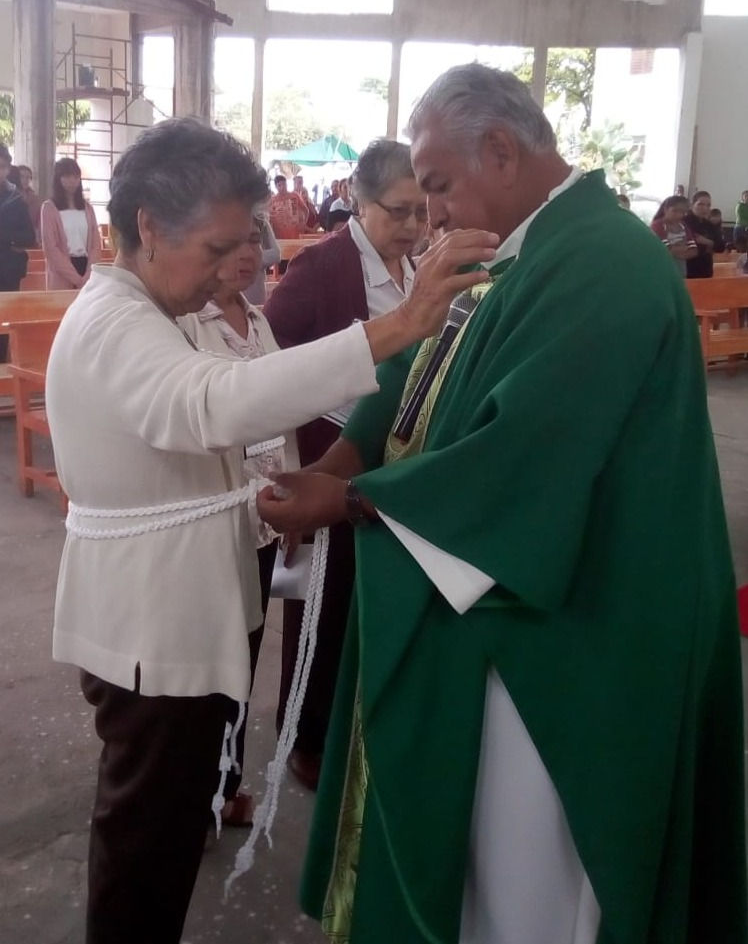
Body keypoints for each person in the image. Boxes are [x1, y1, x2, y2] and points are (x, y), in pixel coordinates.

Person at [257, 64, 747, 944]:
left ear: (501, 150)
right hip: (504, 592)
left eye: (438, 187)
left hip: (574, 624)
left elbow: (525, 458)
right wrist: (340, 457)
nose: (431, 212)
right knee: (484, 862)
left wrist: (354, 499)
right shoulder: (511, 245)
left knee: (532, 879)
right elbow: (418, 373)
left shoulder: (605, 263)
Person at [44, 116, 496, 944]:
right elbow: (210, 404)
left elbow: (226, 399)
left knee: (173, 825)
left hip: (181, 607)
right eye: (216, 248)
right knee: (145, 840)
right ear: (148, 226)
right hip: (152, 626)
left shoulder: (164, 306)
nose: (230, 270)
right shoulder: (115, 319)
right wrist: (394, 329)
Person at [263, 138, 428, 791]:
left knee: (362, 600)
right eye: (399, 212)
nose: (414, 226)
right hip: (329, 454)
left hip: (387, 460)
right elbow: (266, 358)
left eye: (422, 211)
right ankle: (303, 736)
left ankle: (345, 722)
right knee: (321, 607)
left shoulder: (415, 268)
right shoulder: (325, 268)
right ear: (359, 202)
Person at [180, 233, 299, 828]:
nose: (251, 253)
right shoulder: (185, 324)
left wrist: (293, 491)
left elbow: (280, 412)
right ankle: (192, 795)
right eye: (231, 241)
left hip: (262, 517)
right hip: (211, 519)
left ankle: (225, 785)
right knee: (204, 659)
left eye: (257, 238)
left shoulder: (258, 320)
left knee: (243, 657)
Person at [41, 158, 101, 289]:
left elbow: (96, 245)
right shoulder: (49, 208)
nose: (72, 181)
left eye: (76, 176)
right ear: (58, 178)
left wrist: (88, 274)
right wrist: (77, 279)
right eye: (67, 176)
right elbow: (51, 248)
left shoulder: (87, 208)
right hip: (62, 272)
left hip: (86, 267)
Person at [0, 143, 35, 294]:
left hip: (8, 272)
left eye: (1, 166)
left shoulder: (15, 199)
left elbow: (29, 237)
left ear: (7, 169)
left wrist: (6, 238)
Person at [650, 195, 697, 276]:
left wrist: (676, 250)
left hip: (680, 271)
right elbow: (664, 250)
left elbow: (694, 250)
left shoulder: (683, 226)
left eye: (682, 212)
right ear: (665, 209)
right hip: (661, 269)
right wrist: (684, 248)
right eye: (674, 211)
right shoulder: (657, 225)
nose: (679, 215)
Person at [684, 189, 725, 278]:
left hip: (706, 269)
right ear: (692, 205)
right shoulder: (683, 223)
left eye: (708, 205)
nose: (705, 208)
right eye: (700, 204)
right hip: (687, 269)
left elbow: (721, 247)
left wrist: (707, 242)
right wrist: (710, 245)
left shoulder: (710, 225)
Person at [243, 215, 280, 305]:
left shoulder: (260, 219)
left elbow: (276, 254)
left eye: (255, 240)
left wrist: (251, 258)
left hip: (255, 293)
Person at [268, 173, 308, 240]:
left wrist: (303, 223)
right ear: (276, 186)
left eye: (284, 184)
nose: (282, 187)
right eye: (279, 185)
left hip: (295, 234)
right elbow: (269, 217)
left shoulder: (295, 196)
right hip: (279, 235)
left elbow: (306, 210)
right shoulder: (272, 200)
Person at [17, 165, 42, 244]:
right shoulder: (8, 196)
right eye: (22, 176)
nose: (25, 180)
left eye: (28, 177)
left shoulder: (35, 198)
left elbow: (38, 219)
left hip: (30, 236)